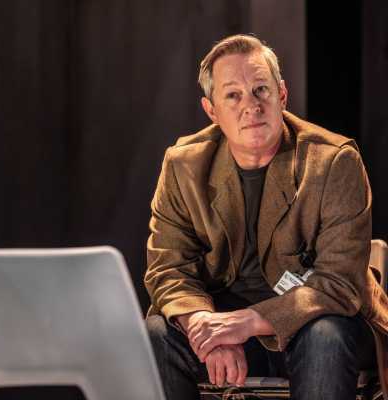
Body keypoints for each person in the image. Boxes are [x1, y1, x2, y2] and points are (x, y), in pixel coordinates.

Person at [144, 34, 388, 400]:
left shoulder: (335, 161)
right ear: (211, 110)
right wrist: (204, 327)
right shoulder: (183, 166)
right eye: (233, 95)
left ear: (282, 95)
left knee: (325, 336)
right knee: (155, 335)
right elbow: (168, 268)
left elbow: (339, 284)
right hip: (222, 320)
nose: (251, 106)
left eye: (261, 90)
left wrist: (248, 322)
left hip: (318, 322)